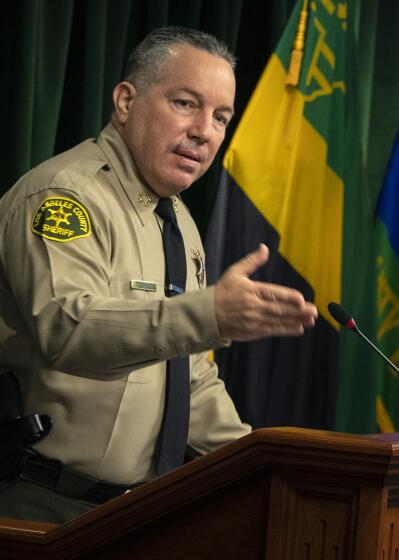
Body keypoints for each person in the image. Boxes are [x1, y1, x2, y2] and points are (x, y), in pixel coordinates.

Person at [0, 26, 318, 524]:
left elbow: (186, 376)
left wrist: (267, 467)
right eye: (186, 104)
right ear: (126, 101)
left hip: (135, 512)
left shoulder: (178, 222)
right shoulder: (65, 196)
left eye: (221, 117)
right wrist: (207, 313)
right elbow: (68, 330)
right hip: (44, 505)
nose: (204, 131)